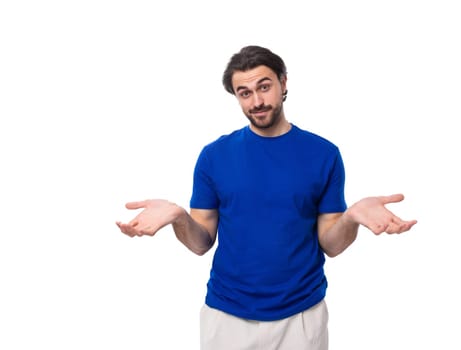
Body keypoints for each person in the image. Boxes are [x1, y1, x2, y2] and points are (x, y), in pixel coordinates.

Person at [116, 45, 417, 350]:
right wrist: (178, 217)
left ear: (283, 83)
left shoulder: (324, 154)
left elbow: (331, 244)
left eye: (264, 87)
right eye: (244, 93)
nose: (257, 101)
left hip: (301, 317)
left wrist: (351, 217)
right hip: (227, 317)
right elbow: (200, 243)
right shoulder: (214, 156)